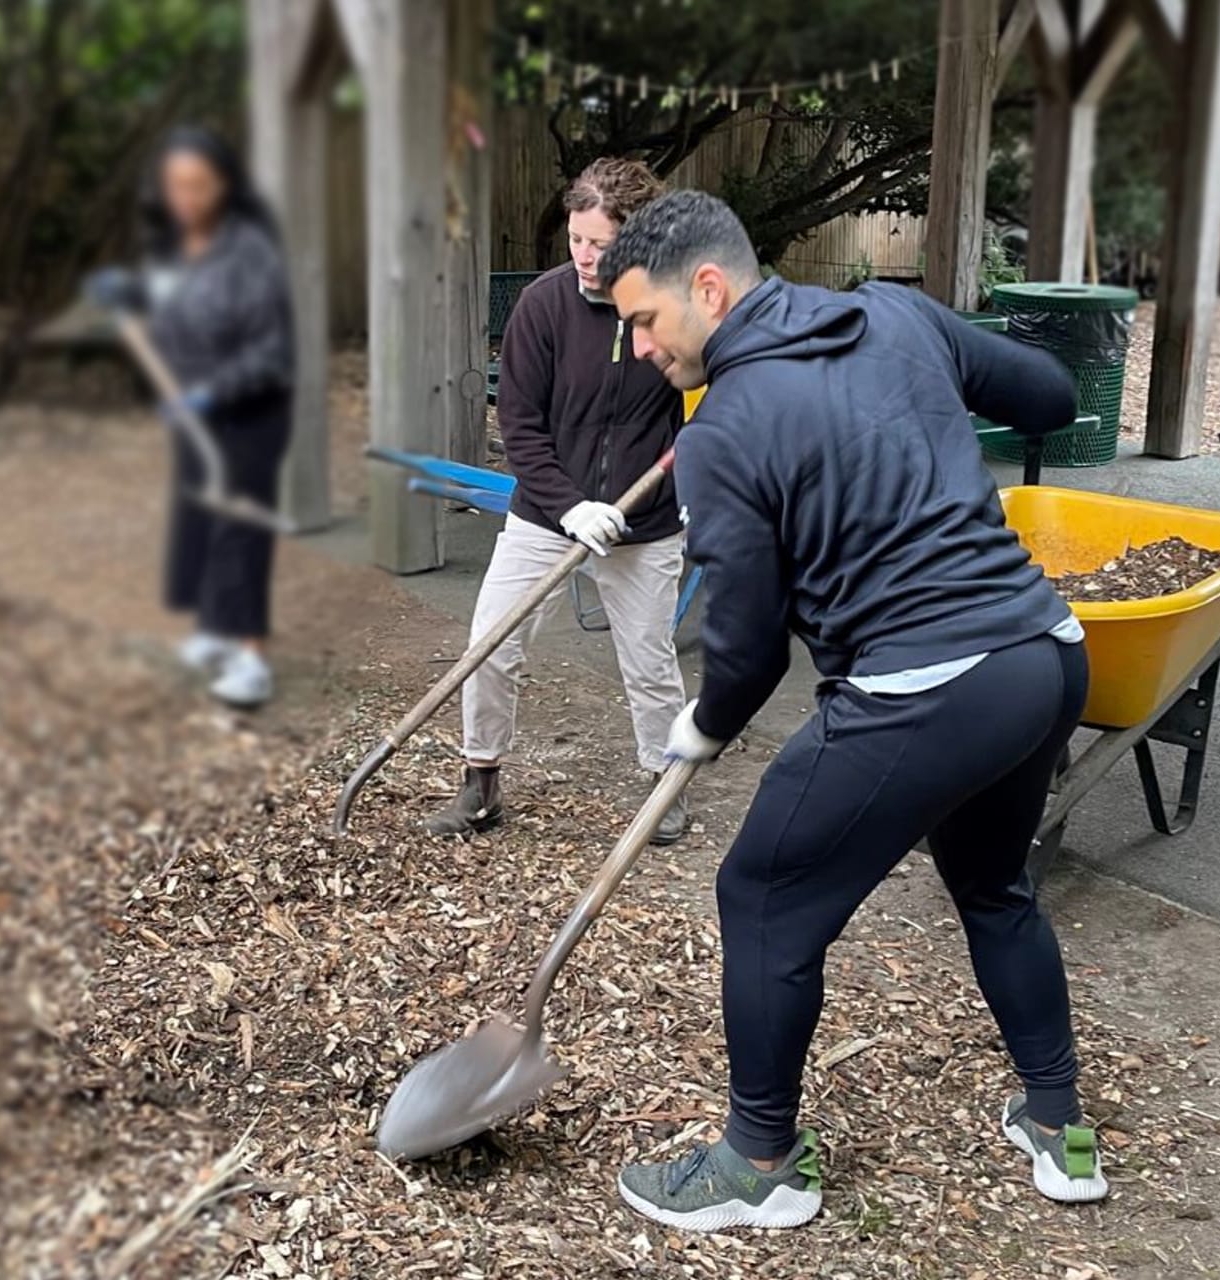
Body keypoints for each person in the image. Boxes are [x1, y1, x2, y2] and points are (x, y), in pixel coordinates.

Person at [596, 190, 1106, 1231]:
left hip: (931, 682)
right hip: (1045, 655)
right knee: (994, 882)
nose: (637, 346)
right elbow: (1050, 394)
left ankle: (760, 1162)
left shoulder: (725, 430)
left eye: (644, 321)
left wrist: (702, 724)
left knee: (764, 895)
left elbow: (745, 642)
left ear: (708, 288)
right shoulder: (896, 315)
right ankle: (1060, 1128)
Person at [425, 159, 691, 843]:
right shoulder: (543, 306)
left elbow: (704, 407)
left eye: (601, 244)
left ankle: (665, 787)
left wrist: (692, 482)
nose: (585, 256)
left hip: (644, 523)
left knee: (651, 663)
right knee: (490, 645)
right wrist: (571, 506)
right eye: (577, 239)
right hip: (546, 514)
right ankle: (481, 786)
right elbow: (519, 425)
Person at [104, 126, 294, 709]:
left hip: (248, 410)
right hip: (193, 412)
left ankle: (252, 657)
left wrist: (212, 391)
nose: (186, 197)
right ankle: (215, 629)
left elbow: (270, 349)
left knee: (240, 527)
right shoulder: (173, 248)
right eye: (175, 185)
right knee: (199, 517)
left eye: (198, 185)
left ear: (223, 185)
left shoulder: (251, 252)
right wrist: (130, 297)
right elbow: (172, 314)